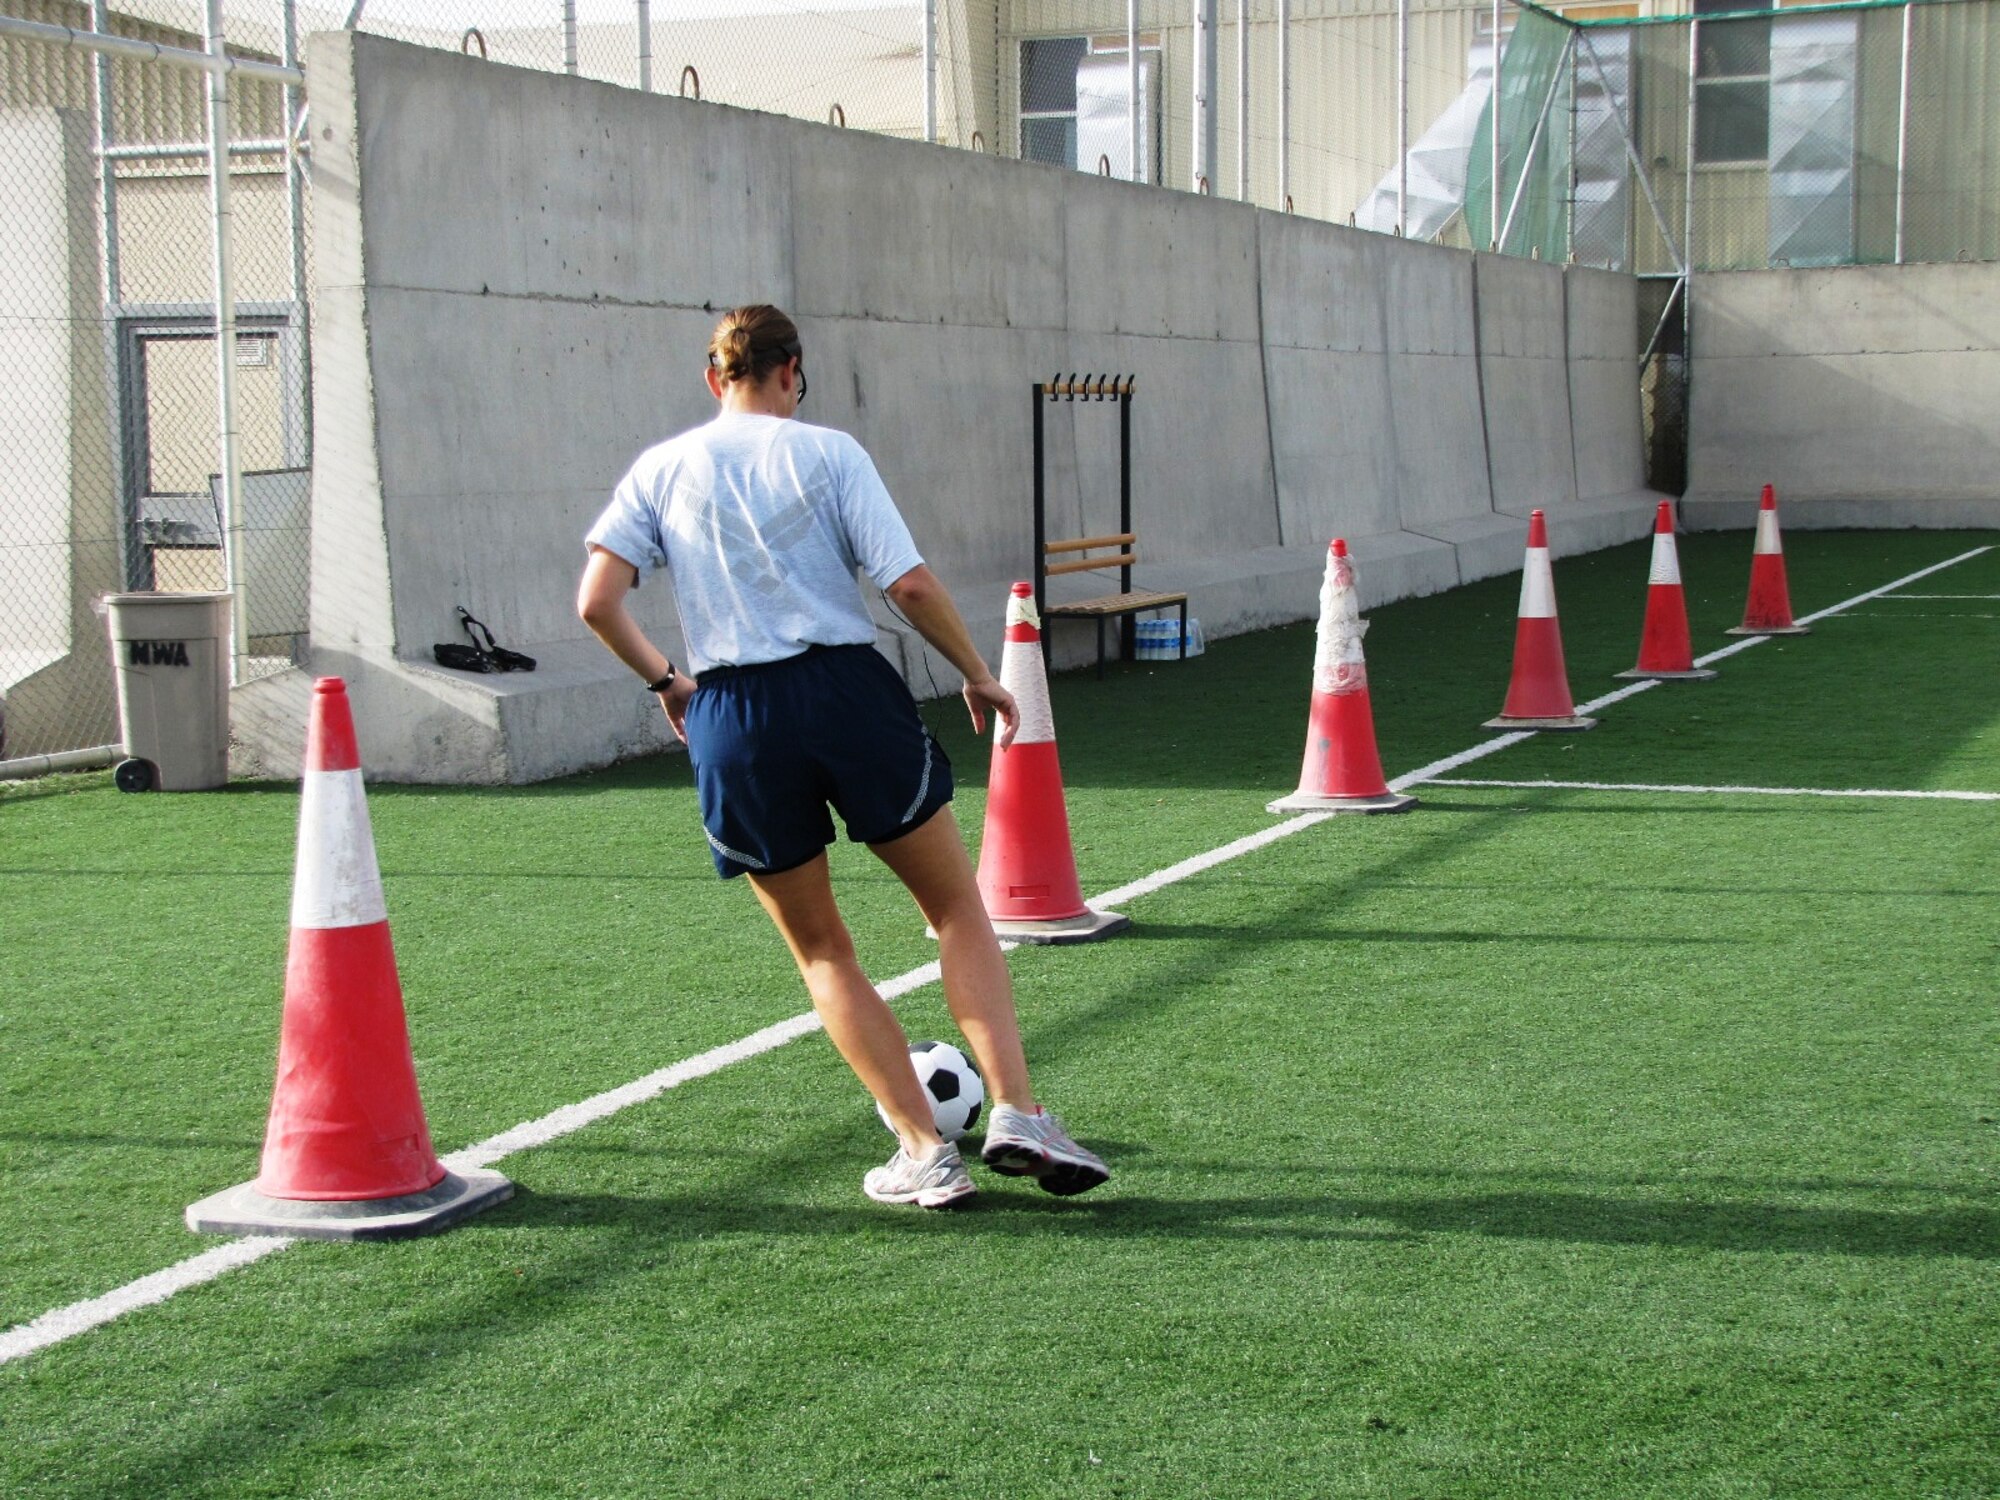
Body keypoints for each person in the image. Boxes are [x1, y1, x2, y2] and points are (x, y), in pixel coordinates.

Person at [578, 304, 1108, 1209]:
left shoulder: (660, 469)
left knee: (824, 950)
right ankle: (1017, 1109)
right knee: (954, 908)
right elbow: (905, 583)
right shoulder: (827, 452)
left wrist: (670, 683)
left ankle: (923, 1152)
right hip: (847, 694)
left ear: (715, 379)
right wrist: (978, 671)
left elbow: (597, 601)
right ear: (793, 372)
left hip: (734, 714)